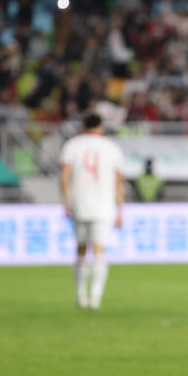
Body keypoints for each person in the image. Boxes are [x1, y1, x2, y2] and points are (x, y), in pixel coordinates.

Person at [59, 113, 124, 309]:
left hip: (79, 203)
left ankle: (81, 295)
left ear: (83, 126)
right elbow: (118, 181)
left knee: (80, 250)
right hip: (104, 205)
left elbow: (64, 176)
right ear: (101, 127)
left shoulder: (72, 145)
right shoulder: (112, 148)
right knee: (99, 251)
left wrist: (65, 201)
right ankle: (95, 297)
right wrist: (120, 208)